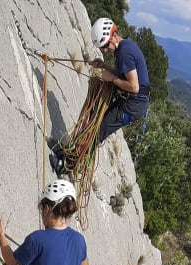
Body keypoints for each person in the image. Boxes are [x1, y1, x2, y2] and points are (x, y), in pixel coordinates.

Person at [50, 17, 150, 176]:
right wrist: (104, 67)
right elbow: (123, 75)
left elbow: (134, 87)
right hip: (131, 101)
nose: (105, 50)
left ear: (113, 36)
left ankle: (67, 166)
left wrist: (110, 78)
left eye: (105, 45)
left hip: (132, 105)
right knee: (94, 124)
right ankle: (69, 153)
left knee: (97, 131)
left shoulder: (124, 52)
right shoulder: (125, 47)